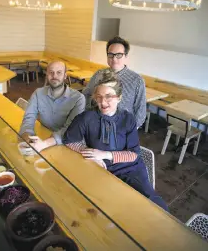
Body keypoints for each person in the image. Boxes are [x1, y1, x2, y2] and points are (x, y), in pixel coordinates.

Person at [63, 70, 168, 211]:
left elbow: (134, 154)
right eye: (98, 97)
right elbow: (69, 140)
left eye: (109, 96)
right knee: (104, 207)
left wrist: (104, 154)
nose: (103, 102)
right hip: (100, 168)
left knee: (151, 204)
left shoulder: (128, 119)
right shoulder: (87, 118)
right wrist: (90, 154)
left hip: (130, 168)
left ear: (119, 97)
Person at [83, 36, 146, 129]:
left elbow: (140, 111)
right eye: (111, 54)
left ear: (126, 56)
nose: (114, 59)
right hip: (97, 125)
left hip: (123, 129)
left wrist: (130, 131)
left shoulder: (137, 80)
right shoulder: (98, 75)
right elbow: (86, 95)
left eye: (119, 55)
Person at [19, 61, 85, 149]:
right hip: (44, 137)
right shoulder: (38, 93)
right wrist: (27, 137)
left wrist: (45, 144)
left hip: (68, 143)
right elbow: (28, 118)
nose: (54, 76)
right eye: (51, 72)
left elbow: (70, 130)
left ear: (65, 76)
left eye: (59, 72)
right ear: (47, 74)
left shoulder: (78, 99)